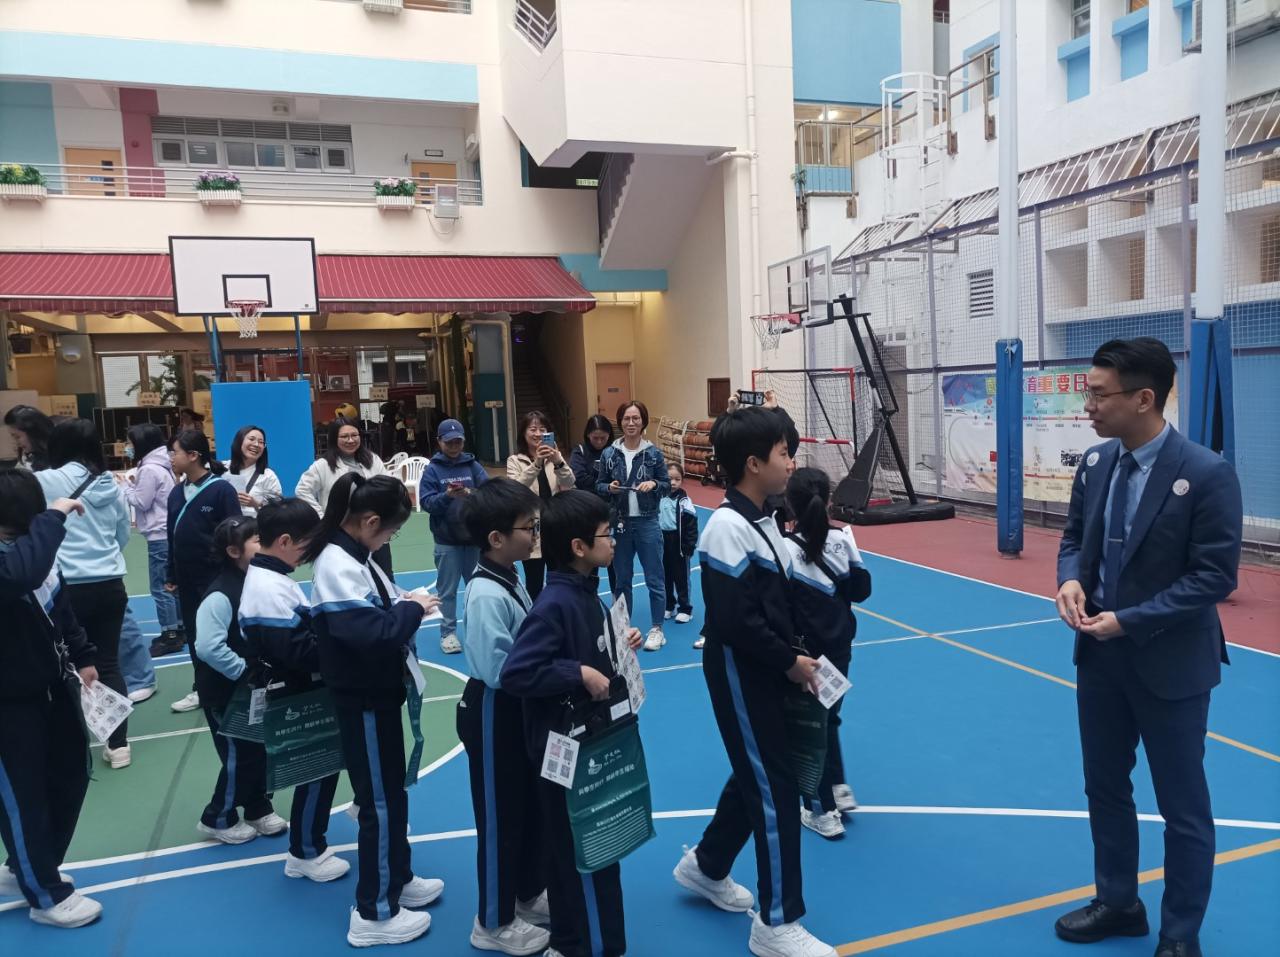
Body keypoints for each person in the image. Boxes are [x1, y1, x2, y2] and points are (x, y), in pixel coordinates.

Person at [1053, 338, 1243, 957]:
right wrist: (1071, 579)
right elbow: (1074, 538)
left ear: (1143, 398)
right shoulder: (1096, 463)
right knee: (1105, 787)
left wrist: (1130, 620)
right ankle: (1118, 903)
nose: (1087, 406)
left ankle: (1180, 934)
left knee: (1182, 806)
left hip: (1171, 663)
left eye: (1097, 394)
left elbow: (1214, 577)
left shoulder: (1206, 473)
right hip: (1100, 658)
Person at [671, 406, 835, 957]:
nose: (791, 463)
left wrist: (797, 656)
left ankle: (707, 864)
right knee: (775, 789)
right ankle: (776, 922)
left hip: (768, 665)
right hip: (742, 670)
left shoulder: (764, 520)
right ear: (752, 463)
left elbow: (775, 607)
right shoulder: (726, 528)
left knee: (758, 773)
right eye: (784, 453)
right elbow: (736, 621)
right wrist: (790, 662)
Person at [500, 490, 643, 957]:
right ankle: (589, 944)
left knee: (580, 844)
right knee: (583, 849)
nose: (614, 541)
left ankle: (570, 939)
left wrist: (619, 643)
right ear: (578, 547)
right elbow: (518, 672)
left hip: (590, 745)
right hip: (564, 750)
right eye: (606, 534)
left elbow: (587, 650)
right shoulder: (555, 603)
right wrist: (576, 672)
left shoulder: (586, 594)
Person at [305, 474, 443, 948]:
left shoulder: (357, 557)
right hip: (362, 698)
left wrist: (406, 604)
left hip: (377, 695)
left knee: (390, 795)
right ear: (369, 522)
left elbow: (383, 608)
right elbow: (374, 633)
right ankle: (375, 912)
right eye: (391, 532)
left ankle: (397, 876)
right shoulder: (337, 564)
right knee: (378, 803)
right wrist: (415, 609)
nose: (389, 540)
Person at [0, 473, 102, 928]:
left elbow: (58, 605)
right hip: (8, 703)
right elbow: (21, 574)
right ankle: (45, 894)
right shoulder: (25, 556)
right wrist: (53, 518)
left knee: (70, 775)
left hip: (51, 688)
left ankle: (29, 865)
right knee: (23, 797)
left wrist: (83, 655)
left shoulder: (32, 550)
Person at [456, 479, 551, 955]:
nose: (534, 535)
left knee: (527, 806)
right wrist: (556, 669)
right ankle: (492, 921)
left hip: (516, 707)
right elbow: (499, 670)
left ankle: (527, 891)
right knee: (500, 817)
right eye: (527, 528)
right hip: (495, 709)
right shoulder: (486, 594)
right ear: (496, 538)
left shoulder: (508, 576)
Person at [239, 498, 349, 883]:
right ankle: (305, 851)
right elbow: (297, 652)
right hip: (299, 694)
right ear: (284, 541)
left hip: (301, 689)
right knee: (317, 769)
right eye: (308, 542)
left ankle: (308, 845)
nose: (312, 550)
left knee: (322, 769)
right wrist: (341, 641)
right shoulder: (268, 588)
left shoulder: (273, 579)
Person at [34, 419, 134, 770]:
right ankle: (118, 745)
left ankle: (70, 742)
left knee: (63, 665)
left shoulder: (45, 480)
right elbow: (122, 534)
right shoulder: (111, 484)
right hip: (110, 583)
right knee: (108, 662)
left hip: (66, 587)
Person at [781, 468, 872, 840]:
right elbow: (862, 589)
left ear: (790, 504)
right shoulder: (842, 539)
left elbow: (780, 605)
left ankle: (823, 809)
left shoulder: (785, 548)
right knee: (829, 718)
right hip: (840, 647)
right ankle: (838, 787)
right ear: (829, 500)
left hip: (806, 655)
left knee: (809, 728)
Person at [192, 516, 289, 845]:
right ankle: (217, 817)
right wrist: (243, 672)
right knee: (239, 755)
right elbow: (208, 646)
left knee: (261, 749)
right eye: (258, 540)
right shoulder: (221, 594)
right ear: (234, 551)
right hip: (227, 693)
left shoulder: (259, 582)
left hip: (255, 690)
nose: (267, 543)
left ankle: (258, 807)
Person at [166, 429, 243, 715]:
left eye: (174, 452)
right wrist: (171, 573)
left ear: (193, 455)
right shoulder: (176, 492)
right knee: (194, 631)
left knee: (222, 632)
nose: (171, 458)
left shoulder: (221, 490)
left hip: (216, 577)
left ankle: (234, 683)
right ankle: (202, 687)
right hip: (187, 578)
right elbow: (172, 535)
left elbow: (236, 533)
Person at [596, 401, 670, 651]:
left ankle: (657, 629)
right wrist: (610, 487)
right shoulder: (609, 454)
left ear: (643, 421)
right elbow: (599, 485)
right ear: (620, 422)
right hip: (621, 523)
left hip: (648, 522)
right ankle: (622, 628)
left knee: (655, 579)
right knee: (622, 580)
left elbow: (666, 484)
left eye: (636, 418)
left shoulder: (654, 453)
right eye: (626, 418)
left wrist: (654, 485)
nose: (631, 423)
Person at [419, 418, 489, 655]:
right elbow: (426, 502)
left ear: (463, 441)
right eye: (449, 442)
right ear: (439, 442)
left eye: (458, 441)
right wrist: (447, 496)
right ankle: (448, 633)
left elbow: (489, 493)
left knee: (478, 588)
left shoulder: (473, 466)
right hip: (447, 541)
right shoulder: (432, 470)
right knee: (447, 591)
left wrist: (469, 493)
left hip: (474, 539)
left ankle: (479, 629)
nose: (453, 446)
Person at [296, 416, 391, 577]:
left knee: (384, 577)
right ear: (334, 438)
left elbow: (388, 486)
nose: (350, 440)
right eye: (344, 436)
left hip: (375, 532)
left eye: (354, 435)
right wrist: (323, 517)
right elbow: (302, 491)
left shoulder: (372, 460)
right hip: (341, 535)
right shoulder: (323, 465)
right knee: (346, 579)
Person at [120, 424, 184, 662]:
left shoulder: (148, 469)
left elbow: (141, 502)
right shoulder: (163, 465)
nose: (128, 447)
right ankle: (179, 628)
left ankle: (170, 635)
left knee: (160, 587)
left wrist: (125, 486)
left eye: (130, 442)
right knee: (171, 586)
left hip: (158, 535)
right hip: (168, 532)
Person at [506, 411, 574, 601]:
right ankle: (535, 616)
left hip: (555, 526)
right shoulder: (515, 460)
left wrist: (558, 461)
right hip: (531, 530)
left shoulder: (555, 458)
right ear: (524, 433)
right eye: (533, 429)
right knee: (534, 583)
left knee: (558, 580)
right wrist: (536, 463)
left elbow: (569, 482)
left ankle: (557, 614)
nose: (538, 434)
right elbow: (516, 488)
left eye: (543, 430)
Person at [569, 414, 617, 594]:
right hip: (588, 513)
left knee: (614, 560)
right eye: (595, 437)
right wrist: (605, 486)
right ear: (588, 434)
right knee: (590, 560)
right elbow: (579, 478)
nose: (599, 441)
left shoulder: (615, 451)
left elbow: (619, 477)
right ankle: (588, 596)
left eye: (603, 438)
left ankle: (617, 598)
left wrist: (602, 484)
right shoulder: (580, 451)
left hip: (612, 512)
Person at [659, 462, 699, 634]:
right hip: (662, 541)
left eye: (677, 479)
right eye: (669, 479)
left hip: (679, 543)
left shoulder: (685, 502)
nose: (673, 482)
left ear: (682, 480)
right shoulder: (658, 497)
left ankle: (685, 608)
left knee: (681, 577)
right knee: (665, 576)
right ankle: (669, 605)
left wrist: (689, 545)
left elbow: (691, 526)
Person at [223, 425, 284, 518]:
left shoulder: (268, 476)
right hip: (224, 524)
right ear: (239, 441)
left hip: (254, 525)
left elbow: (277, 511)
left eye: (261, 442)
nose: (256, 444)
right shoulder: (223, 468)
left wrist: (255, 504)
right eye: (251, 439)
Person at [4, 405, 56, 471]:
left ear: (34, 433)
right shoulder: (27, 458)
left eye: (17, 437)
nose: (16, 442)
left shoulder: (60, 457)